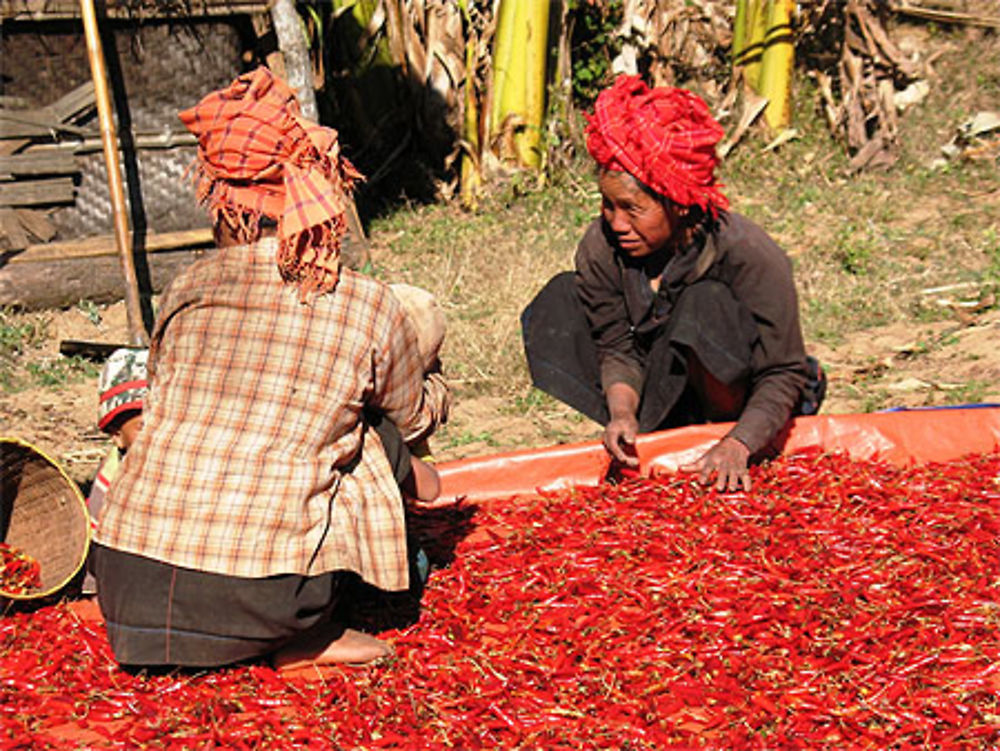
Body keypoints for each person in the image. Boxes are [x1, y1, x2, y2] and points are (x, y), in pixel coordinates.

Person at [91, 66, 450, 670]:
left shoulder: (189, 287)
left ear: (227, 210)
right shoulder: (365, 302)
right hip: (272, 598)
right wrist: (433, 385)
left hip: (125, 589)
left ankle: (224, 630)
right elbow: (411, 422)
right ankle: (306, 636)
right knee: (366, 434)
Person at [522, 74, 824, 492]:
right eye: (607, 205)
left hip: (743, 392)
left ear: (678, 203)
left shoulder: (747, 253)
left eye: (632, 208)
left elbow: (783, 370)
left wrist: (740, 442)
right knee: (559, 303)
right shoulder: (602, 246)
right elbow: (615, 346)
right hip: (663, 380)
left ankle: (716, 427)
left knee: (705, 304)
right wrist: (622, 411)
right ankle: (651, 431)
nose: (616, 222)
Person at [81, 348, 149, 595]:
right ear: (117, 436)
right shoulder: (111, 477)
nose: (156, 432)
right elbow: (96, 544)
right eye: (143, 426)